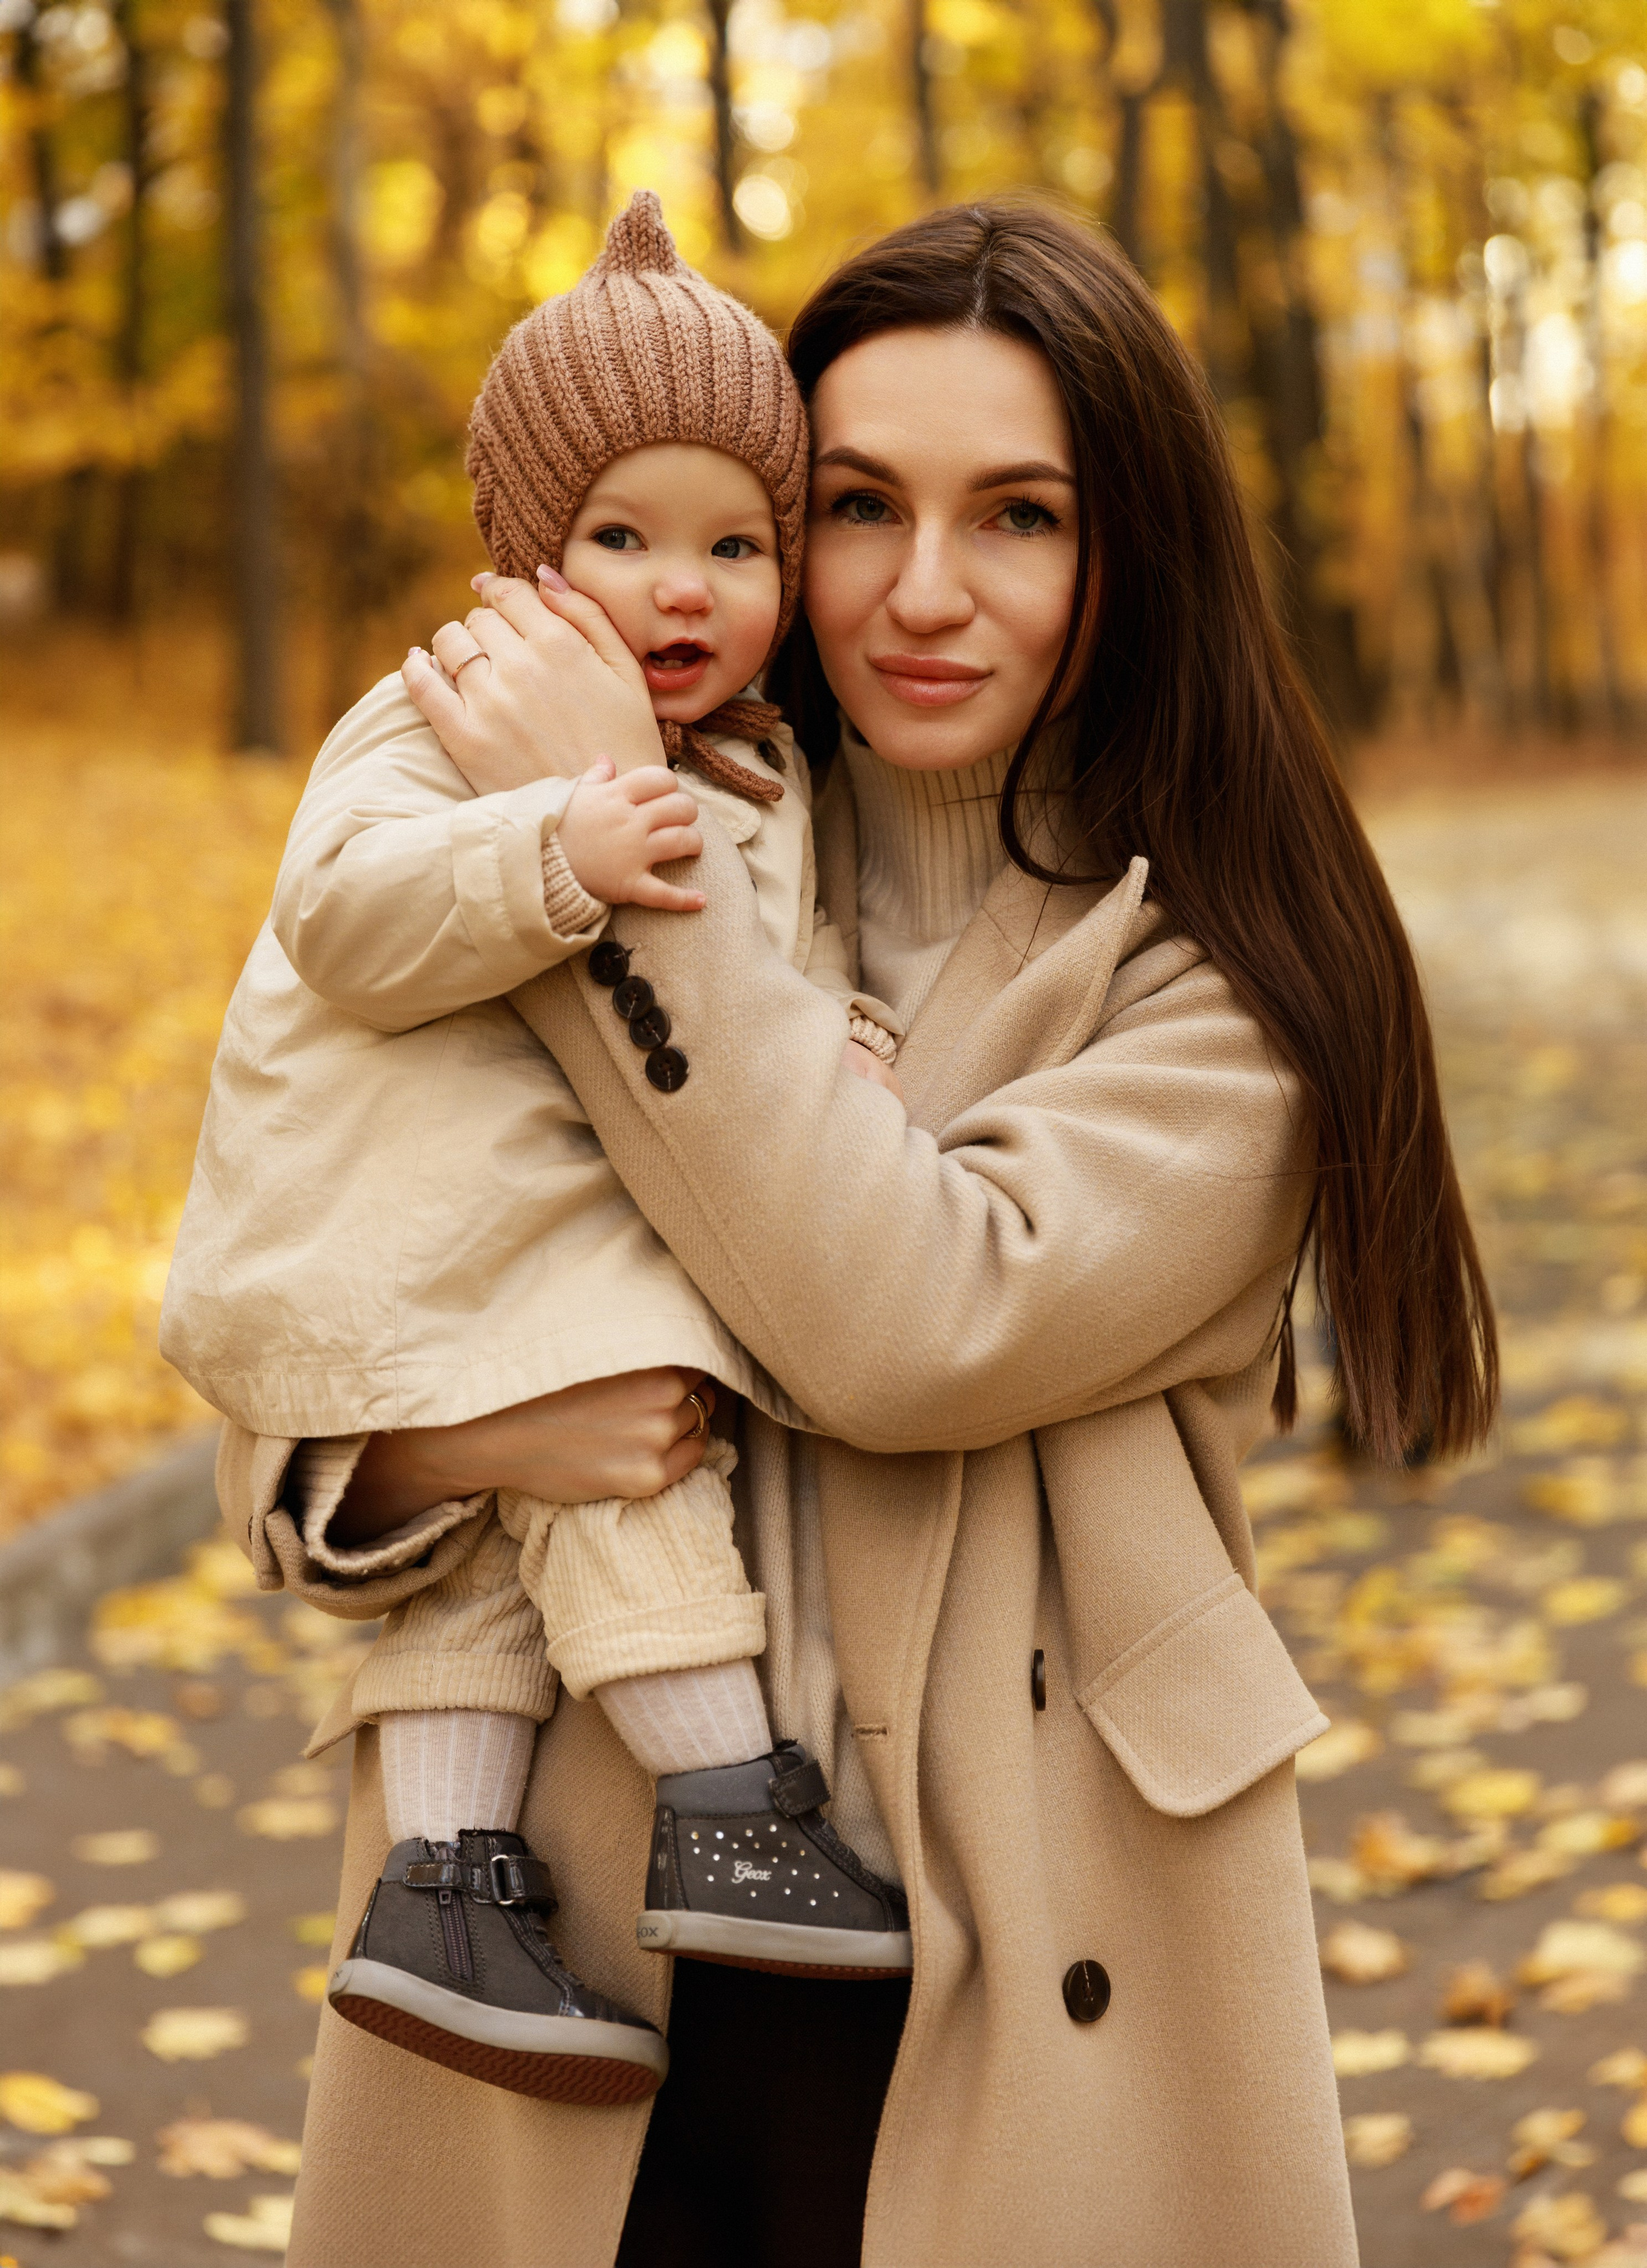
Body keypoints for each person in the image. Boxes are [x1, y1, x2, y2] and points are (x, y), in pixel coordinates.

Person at [216, 200, 1496, 2267]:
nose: (923, 591)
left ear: (1126, 554)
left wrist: (616, 868)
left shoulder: (1219, 985)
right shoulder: (551, 840)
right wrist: (459, 1444)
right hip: (567, 1972)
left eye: (1019, 516)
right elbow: (329, 1267)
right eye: (856, 505)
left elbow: (910, 1324)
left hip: (1032, 1967)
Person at [161, 192, 911, 2110]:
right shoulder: (444, 721)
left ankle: (445, 1887)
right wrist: (545, 851)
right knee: (626, 1435)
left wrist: (822, 1026)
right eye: (624, 538)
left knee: (469, 1567)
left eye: (737, 543)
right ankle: (727, 1798)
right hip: (398, 1217)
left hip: (477, 1249)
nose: (686, 591)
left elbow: (739, 971)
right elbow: (337, 913)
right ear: (527, 550)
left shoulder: (757, 761)